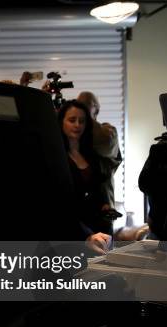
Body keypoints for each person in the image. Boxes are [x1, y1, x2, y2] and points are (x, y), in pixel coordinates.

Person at [58, 100, 113, 237]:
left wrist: (104, 204)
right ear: (61, 122)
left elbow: (97, 187)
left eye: (82, 121)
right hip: (73, 231)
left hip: (99, 228)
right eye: (72, 120)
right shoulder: (57, 157)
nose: (77, 125)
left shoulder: (91, 154)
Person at [76, 91, 122, 212]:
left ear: (96, 110)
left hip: (102, 208)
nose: (82, 106)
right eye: (79, 103)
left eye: (87, 104)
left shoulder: (108, 131)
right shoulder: (74, 132)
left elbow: (106, 141)